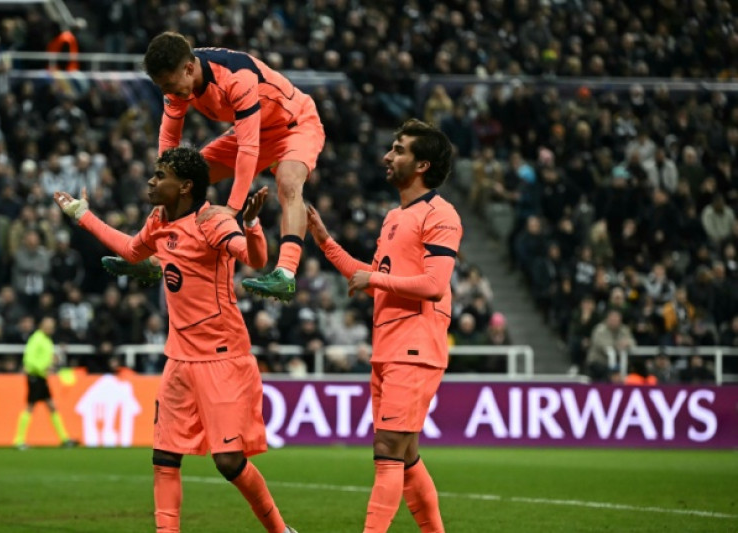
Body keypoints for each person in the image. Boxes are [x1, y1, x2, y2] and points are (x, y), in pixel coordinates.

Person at [54, 146, 297, 533]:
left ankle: (281, 531)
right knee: (164, 457)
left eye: (160, 175)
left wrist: (251, 225)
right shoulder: (159, 220)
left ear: (185, 186)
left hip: (222, 358)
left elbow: (254, 259)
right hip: (179, 359)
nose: (151, 181)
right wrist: (82, 216)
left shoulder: (213, 222)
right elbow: (133, 251)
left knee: (229, 463)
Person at [308, 119, 461, 533]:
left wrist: (374, 278)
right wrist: (325, 240)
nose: (387, 157)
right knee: (405, 455)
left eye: (398, 150)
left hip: (415, 347)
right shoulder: (395, 216)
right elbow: (373, 278)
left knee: (387, 450)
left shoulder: (441, 214)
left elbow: (433, 285)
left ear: (422, 165)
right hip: (388, 347)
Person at [139, 31, 326, 301]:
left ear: (189, 68)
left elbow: (249, 149)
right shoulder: (178, 84)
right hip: (252, 130)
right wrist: (163, 185)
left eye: (169, 84)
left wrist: (232, 208)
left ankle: (285, 274)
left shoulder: (236, 76)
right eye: (162, 87)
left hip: (294, 125)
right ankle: (150, 255)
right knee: (181, 180)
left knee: (288, 183)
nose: (167, 92)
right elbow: (169, 138)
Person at [12, 315, 78, 449]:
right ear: (42, 326)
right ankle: (18, 440)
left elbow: (43, 357)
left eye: (52, 326)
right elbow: (29, 360)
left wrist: (51, 363)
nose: (51, 328)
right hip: (35, 376)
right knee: (30, 406)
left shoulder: (45, 339)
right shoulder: (37, 339)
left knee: (51, 406)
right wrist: (44, 367)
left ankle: (64, 439)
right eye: (49, 325)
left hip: (42, 377)